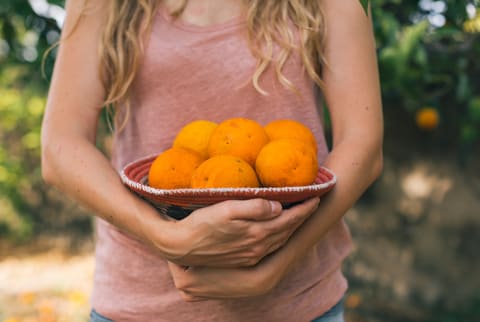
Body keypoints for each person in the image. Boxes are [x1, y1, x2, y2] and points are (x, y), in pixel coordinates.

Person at [41, 0, 383, 321]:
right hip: (142, 303)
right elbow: (61, 146)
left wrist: (282, 258)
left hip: (298, 301)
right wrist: (161, 235)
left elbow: (363, 145)